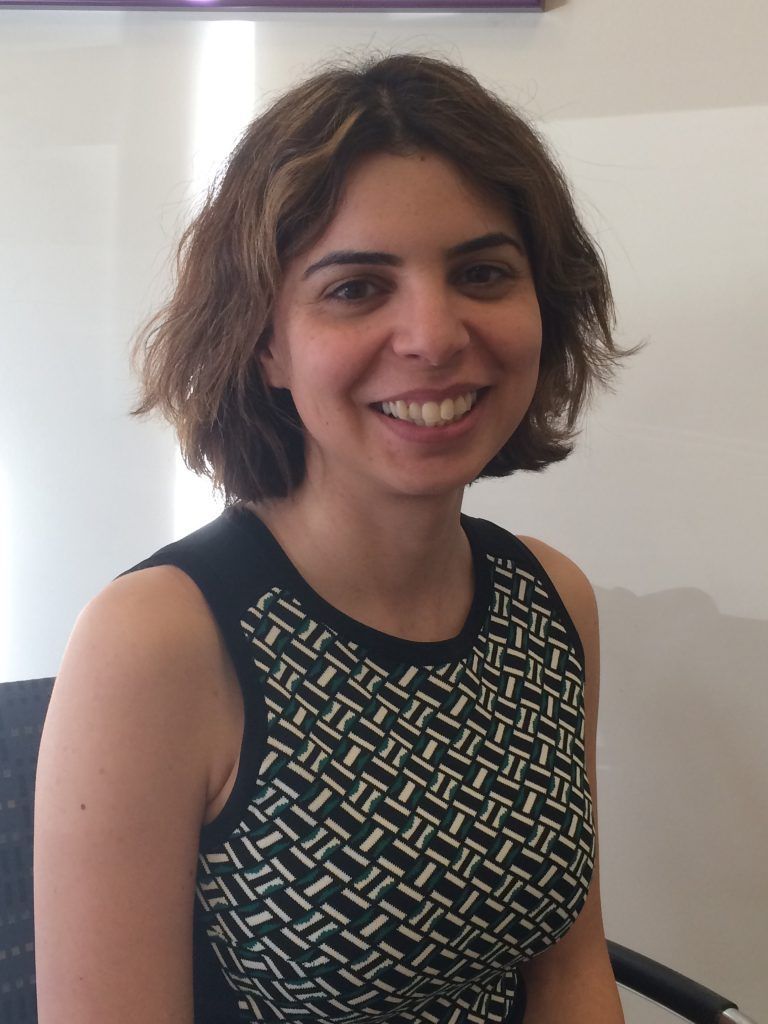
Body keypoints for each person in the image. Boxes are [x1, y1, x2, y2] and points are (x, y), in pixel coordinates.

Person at [34, 54, 627, 1023]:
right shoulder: (158, 642)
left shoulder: (553, 602)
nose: (433, 335)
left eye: (482, 272)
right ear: (266, 340)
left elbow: (568, 969)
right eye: (356, 289)